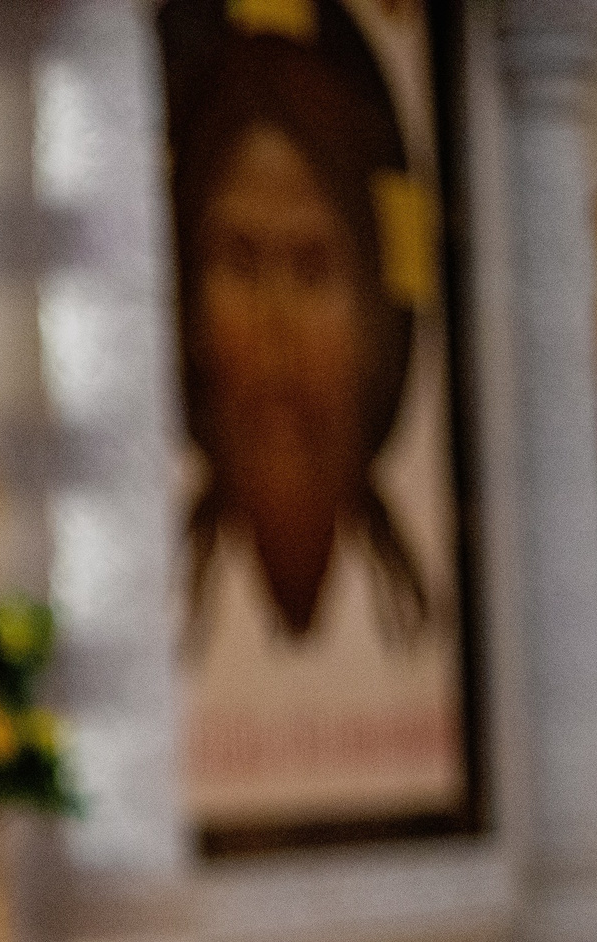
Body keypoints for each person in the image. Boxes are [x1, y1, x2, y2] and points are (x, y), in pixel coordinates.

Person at [159, 0, 461, 824]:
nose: (277, 328)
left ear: (376, 313)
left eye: (314, 265)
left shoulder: (415, 610)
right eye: (239, 261)